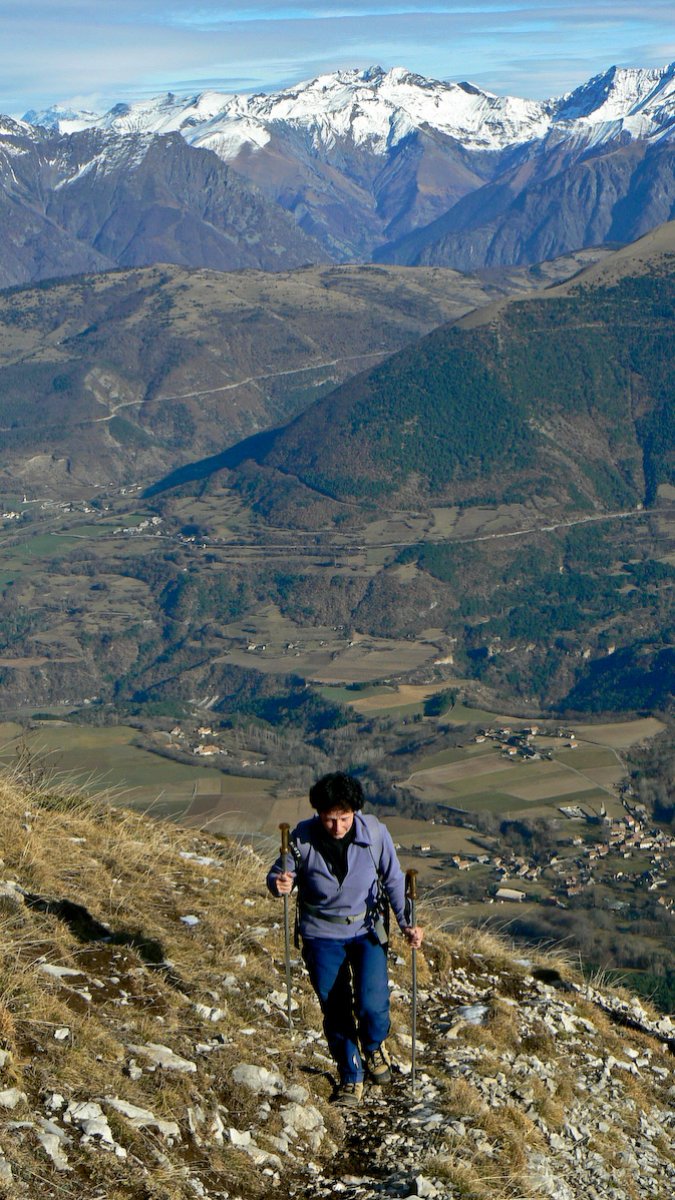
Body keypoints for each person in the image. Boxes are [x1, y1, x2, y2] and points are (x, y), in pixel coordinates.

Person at [266, 771, 423, 1107]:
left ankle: (373, 1046)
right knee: (335, 1007)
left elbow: (394, 881)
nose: (337, 826)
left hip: (368, 930)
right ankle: (351, 1075)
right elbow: (282, 870)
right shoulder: (302, 838)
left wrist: (408, 923)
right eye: (329, 818)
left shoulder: (375, 834)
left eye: (344, 818)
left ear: (355, 812)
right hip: (321, 935)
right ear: (318, 814)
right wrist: (279, 883)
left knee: (372, 1003)